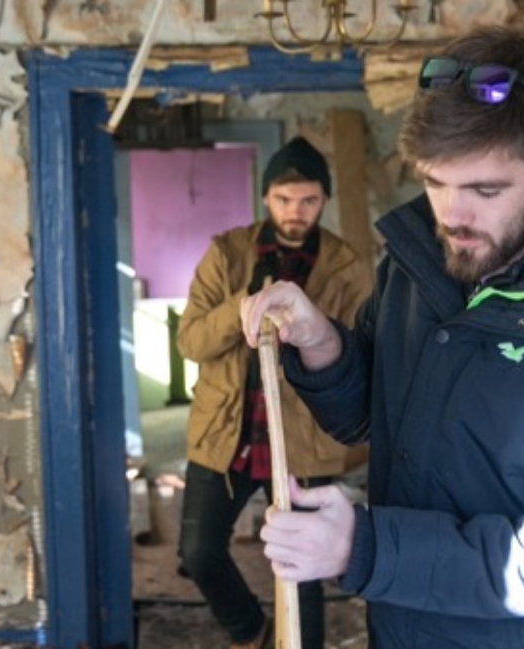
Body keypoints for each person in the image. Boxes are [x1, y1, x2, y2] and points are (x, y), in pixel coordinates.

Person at [240, 25, 524, 649]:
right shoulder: (420, 264)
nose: (452, 217)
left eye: (485, 189)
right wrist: (320, 342)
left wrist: (363, 547)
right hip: (412, 627)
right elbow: (373, 417)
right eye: (434, 182)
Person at [176, 135, 373, 649]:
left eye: (309, 200)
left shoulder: (347, 266)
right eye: (285, 200)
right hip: (228, 433)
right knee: (198, 551)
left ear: (324, 200)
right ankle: (253, 634)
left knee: (301, 570)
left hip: (306, 438)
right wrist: (245, 302)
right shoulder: (226, 254)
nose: (296, 212)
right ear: (266, 197)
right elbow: (191, 340)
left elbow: (360, 352)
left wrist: (308, 321)